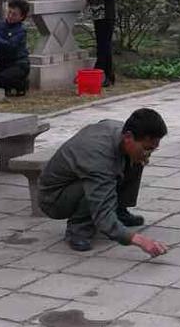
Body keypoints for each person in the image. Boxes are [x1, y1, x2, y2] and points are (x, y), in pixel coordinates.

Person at [38, 108, 170, 255]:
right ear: (128, 137)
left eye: (153, 149)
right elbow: (102, 212)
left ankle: (119, 209)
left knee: (137, 158)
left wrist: (142, 154)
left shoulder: (122, 132)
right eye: (147, 148)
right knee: (94, 187)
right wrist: (140, 241)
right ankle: (78, 229)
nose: (149, 153)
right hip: (53, 198)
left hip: (84, 175)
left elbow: (137, 152)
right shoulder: (98, 159)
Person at [67, 0, 116, 87]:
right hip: (100, 15)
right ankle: (108, 76)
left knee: (103, 47)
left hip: (105, 16)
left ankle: (99, 74)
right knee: (104, 46)